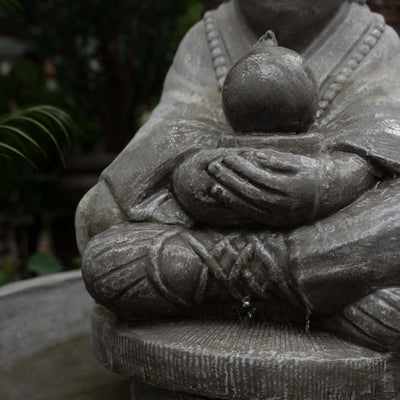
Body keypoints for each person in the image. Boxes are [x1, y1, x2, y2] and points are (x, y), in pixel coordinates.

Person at [76, 0, 400, 351]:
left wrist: (339, 176)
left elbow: (388, 130)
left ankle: (213, 274)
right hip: (222, 211)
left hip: (336, 217)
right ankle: (323, 290)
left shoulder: (376, 40)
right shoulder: (206, 38)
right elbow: (170, 127)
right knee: (102, 216)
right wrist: (190, 173)